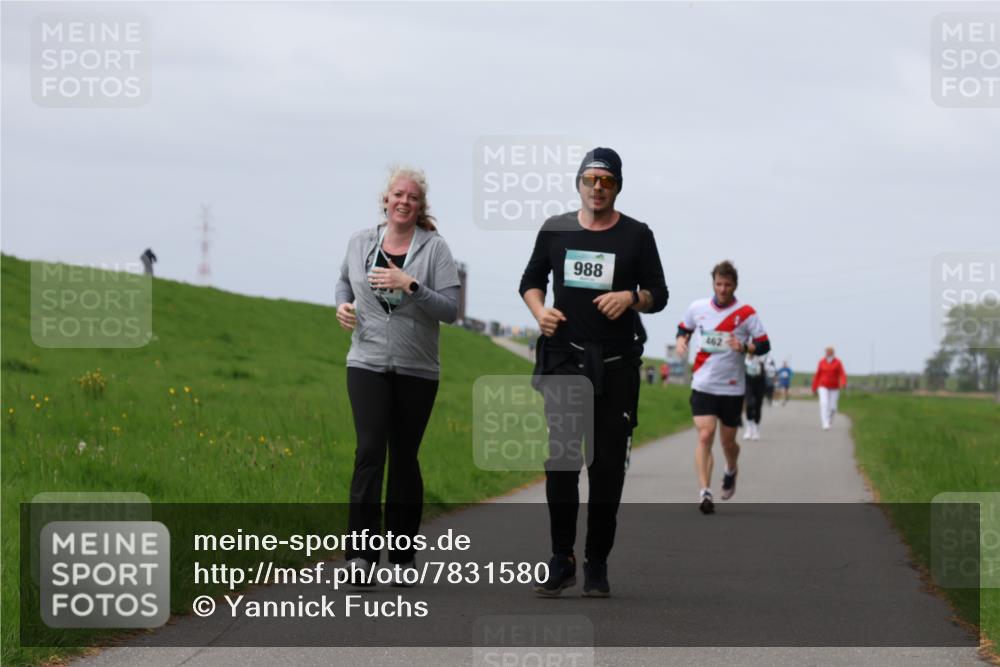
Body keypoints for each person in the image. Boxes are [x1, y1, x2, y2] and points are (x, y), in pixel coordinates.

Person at [519, 147, 668, 598]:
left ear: (617, 186)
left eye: (606, 180)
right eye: (590, 179)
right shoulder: (555, 229)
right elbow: (529, 280)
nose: (597, 187)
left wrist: (630, 298)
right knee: (561, 463)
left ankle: (596, 561)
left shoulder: (637, 235)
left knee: (605, 469)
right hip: (565, 360)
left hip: (616, 365)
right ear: (578, 183)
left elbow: (658, 293)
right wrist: (539, 311)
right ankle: (561, 558)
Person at [335, 166, 461, 585]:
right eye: (397, 194)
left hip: (417, 368)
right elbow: (342, 283)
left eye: (412, 197)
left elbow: (450, 310)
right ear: (385, 200)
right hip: (366, 362)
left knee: (404, 459)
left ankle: (403, 558)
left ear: (420, 207)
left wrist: (411, 285)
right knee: (370, 452)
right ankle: (361, 557)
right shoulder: (360, 242)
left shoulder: (435, 250)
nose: (404, 201)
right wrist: (343, 307)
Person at [676, 261, 770, 514]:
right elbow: (684, 328)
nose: (723, 289)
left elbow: (764, 345)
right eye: (719, 284)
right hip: (703, 384)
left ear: (735, 285)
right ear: (713, 283)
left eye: (728, 284)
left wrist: (745, 347)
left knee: (728, 443)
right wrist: (681, 341)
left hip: (731, 387)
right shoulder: (698, 308)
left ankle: (731, 469)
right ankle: (704, 492)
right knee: (705, 435)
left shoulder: (747, 313)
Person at [811, 347, 847, 430]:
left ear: (833, 353)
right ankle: (825, 423)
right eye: (827, 352)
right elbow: (817, 375)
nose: (828, 353)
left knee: (833, 407)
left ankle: (829, 420)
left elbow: (842, 374)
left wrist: (843, 382)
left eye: (830, 352)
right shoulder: (821, 362)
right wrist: (814, 387)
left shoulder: (838, 362)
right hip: (823, 386)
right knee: (824, 403)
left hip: (834, 387)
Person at [743, 353, 766, 440]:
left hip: (760, 381)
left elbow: (765, 360)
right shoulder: (746, 349)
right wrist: (749, 355)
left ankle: (756, 428)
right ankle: (749, 427)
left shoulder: (763, 351)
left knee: (758, 405)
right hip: (749, 381)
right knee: (750, 403)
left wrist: (757, 355)